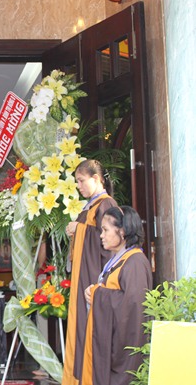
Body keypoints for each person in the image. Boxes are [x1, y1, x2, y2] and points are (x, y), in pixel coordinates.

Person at [81, 206, 152, 385]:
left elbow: (132, 307)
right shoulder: (120, 259)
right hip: (111, 344)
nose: (101, 235)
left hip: (123, 355)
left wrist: (98, 294)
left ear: (122, 231)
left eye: (105, 230)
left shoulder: (135, 262)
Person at [62, 159, 118, 385]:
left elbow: (111, 241)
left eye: (81, 181)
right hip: (83, 275)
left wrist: (80, 228)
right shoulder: (91, 206)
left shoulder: (106, 204)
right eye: (77, 182)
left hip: (94, 277)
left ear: (96, 179)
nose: (78, 186)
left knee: (90, 329)